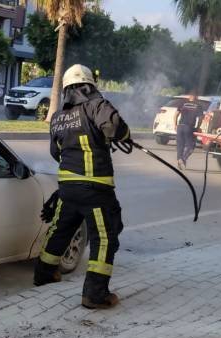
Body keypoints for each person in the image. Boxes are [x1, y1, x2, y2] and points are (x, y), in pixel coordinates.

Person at [34, 64, 130, 310]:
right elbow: (115, 128)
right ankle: (95, 295)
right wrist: (124, 134)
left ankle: (44, 274)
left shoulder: (58, 117)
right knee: (105, 237)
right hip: (96, 188)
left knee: (60, 230)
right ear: (89, 85)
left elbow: (56, 152)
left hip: (67, 187)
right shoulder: (96, 106)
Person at [174, 94, 204, 170]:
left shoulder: (182, 104)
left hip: (180, 126)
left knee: (180, 145)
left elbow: (176, 115)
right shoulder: (198, 106)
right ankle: (183, 159)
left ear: (189, 97)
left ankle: (179, 160)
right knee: (191, 146)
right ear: (196, 97)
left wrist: (175, 125)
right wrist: (198, 127)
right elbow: (200, 118)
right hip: (189, 128)